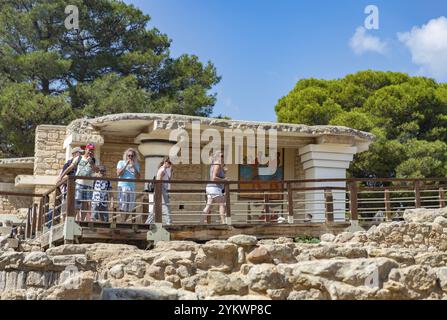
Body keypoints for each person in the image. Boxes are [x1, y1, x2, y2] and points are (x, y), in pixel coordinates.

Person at [59, 143, 98, 221]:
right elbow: (70, 167)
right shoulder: (79, 158)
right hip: (79, 183)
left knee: (85, 203)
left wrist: (92, 163)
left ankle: (82, 221)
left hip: (89, 184)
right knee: (77, 202)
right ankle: (73, 219)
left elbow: (96, 170)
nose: (90, 152)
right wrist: (61, 176)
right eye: (89, 150)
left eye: (92, 150)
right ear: (86, 149)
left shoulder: (93, 160)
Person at [145, 157, 173, 225]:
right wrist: (161, 192)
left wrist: (171, 171)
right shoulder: (162, 170)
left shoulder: (164, 170)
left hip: (161, 190)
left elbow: (169, 180)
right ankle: (169, 222)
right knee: (166, 206)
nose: (170, 164)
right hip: (161, 190)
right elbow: (158, 180)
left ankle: (148, 222)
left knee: (155, 207)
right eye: (169, 163)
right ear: (165, 162)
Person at [201, 151, 227, 224]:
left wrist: (224, 172)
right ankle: (224, 222)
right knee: (223, 203)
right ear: (217, 157)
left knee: (208, 206)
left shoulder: (216, 164)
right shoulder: (217, 164)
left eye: (223, 156)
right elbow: (214, 178)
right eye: (221, 156)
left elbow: (218, 176)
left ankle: (200, 222)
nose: (222, 158)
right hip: (214, 187)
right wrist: (224, 180)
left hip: (211, 187)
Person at [116, 148, 141, 221]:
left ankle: (123, 221)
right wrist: (126, 165)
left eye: (132, 156)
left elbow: (138, 177)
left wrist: (134, 167)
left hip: (131, 187)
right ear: (126, 156)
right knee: (122, 205)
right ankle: (122, 221)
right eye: (129, 155)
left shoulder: (136, 165)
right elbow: (118, 174)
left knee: (130, 206)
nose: (130, 157)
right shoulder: (121, 162)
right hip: (122, 186)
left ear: (134, 156)